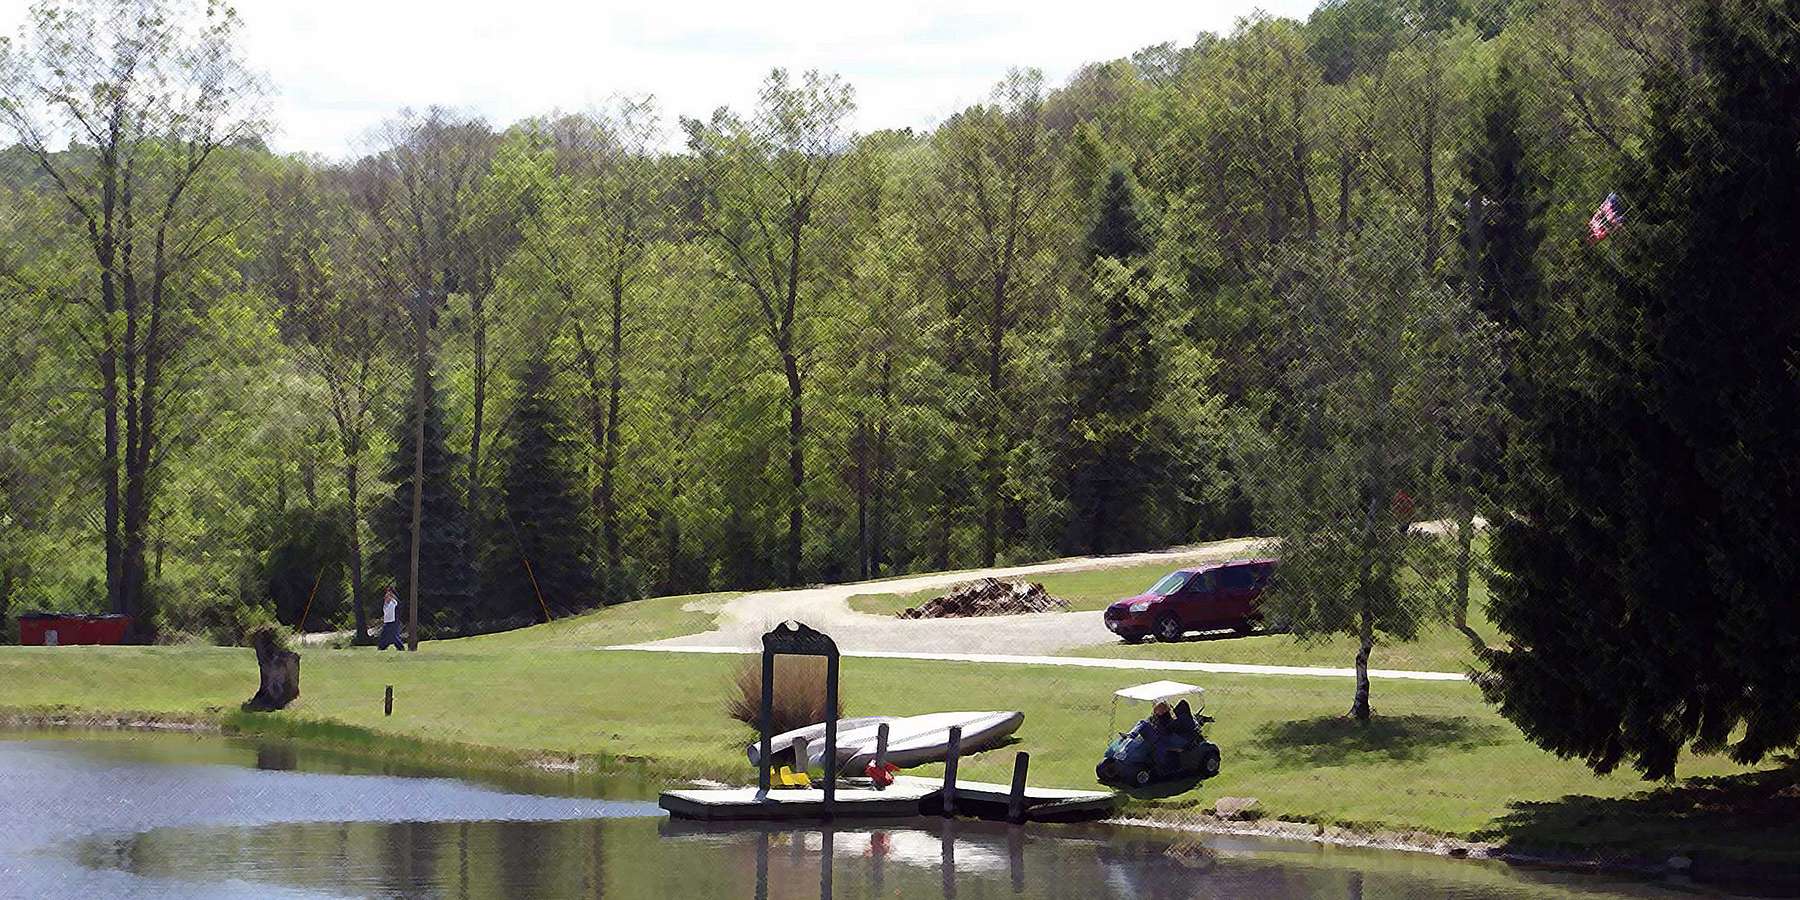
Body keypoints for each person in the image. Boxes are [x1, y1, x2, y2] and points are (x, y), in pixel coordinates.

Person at [378, 585, 405, 651]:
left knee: (393, 635)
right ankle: (382, 647)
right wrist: (386, 601)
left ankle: (400, 647)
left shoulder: (394, 601)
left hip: (393, 620)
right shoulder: (386, 602)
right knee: (384, 634)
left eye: (389, 592)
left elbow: (395, 604)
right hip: (387, 621)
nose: (387, 594)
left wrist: (390, 597)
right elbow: (385, 610)